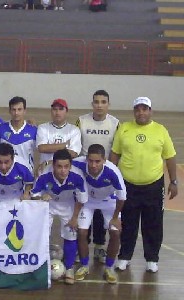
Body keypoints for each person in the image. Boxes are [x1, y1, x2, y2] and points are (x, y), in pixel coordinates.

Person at [110, 97, 178, 273]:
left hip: (153, 186)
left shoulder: (160, 130)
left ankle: (152, 258)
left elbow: (170, 157)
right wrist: (110, 180)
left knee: (153, 223)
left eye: (145, 109)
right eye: (138, 109)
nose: (141, 112)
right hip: (128, 186)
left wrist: (174, 181)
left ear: (150, 111)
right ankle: (125, 256)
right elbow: (114, 155)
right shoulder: (124, 129)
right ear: (134, 111)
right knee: (128, 223)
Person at [31, 149, 88, 285]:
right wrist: (41, 197)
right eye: (59, 166)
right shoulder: (44, 174)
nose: (63, 170)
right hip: (48, 204)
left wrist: (74, 218)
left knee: (71, 234)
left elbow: (81, 200)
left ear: (70, 165)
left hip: (68, 204)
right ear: (53, 165)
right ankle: (41, 266)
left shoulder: (77, 176)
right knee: (43, 234)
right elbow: (33, 194)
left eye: (66, 166)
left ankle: (69, 267)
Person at [75, 89, 120, 263]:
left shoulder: (115, 123)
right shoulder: (81, 121)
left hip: (104, 171)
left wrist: (111, 170)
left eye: (103, 102)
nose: (99, 105)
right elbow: (77, 145)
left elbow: (116, 149)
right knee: (85, 207)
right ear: (92, 104)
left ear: (108, 104)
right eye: (96, 102)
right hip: (86, 171)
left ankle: (100, 246)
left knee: (102, 210)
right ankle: (83, 246)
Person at [73, 144, 126, 284]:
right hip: (88, 201)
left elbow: (122, 198)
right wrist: (46, 163)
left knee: (115, 233)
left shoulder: (113, 171)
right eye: (90, 160)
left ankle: (109, 268)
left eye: (97, 161)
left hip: (109, 201)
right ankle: (84, 266)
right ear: (86, 158)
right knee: (82, 233)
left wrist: (115, 218)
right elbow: (63, 161)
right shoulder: (78, 163)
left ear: (105, 160)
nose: (93, 165)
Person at [36, 98, 81, 165]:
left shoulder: (74, 130)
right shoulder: (43, 128)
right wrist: (64, 145)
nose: (57, 113)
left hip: (65, 171)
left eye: (61, 109)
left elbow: (74, 153)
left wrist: (50, 149)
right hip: (45, 170)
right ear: (51, 111)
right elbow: (42, 148)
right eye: (55, 109)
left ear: (66, 111)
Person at [0, 96, 37, 171]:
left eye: (19, 109)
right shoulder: (1, 129)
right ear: (9, 111)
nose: (16, 113)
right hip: (6, 174)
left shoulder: (33, 130)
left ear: (25, 111)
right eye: (13, 110)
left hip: (27, 174)